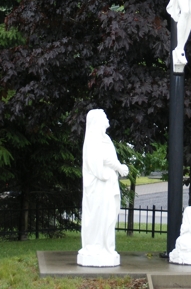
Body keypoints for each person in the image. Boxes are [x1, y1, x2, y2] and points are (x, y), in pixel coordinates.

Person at [77, 109, 129, 267]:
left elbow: (107, 157)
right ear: (97, 121)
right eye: (104, 116)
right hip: (98, 187)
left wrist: (117, 168)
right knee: (98, 216)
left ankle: (106, 247)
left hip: (106, 185)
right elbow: (101, 159)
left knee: (107, 216)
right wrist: (119, 167)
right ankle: (95, 247)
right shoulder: (93, 139)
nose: (107, 118)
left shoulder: (104, 138)